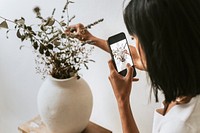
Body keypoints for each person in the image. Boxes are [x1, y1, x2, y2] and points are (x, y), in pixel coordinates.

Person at [66, 0, 200, 132]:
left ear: (157, 47)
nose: (134, 44)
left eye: (134, 38)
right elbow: (137, 56)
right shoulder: (186, 66)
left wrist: (122, 100)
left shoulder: (181, 126)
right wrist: (91, 38)